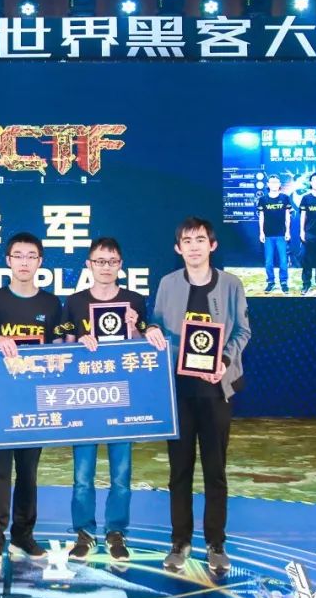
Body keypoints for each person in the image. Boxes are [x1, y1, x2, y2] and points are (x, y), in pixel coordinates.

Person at [144, 217, 251, 576]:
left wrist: (224, 361)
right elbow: (156, 322)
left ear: (212, 245)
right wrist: (152, 328)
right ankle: (180, 542)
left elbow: (242, 331)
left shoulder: (231, 284)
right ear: (178, 248)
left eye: (200, 240)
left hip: (217, 389)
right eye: (187, 241)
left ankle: (216, 543)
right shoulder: (168, 283)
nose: (193, 246)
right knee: (180, 470)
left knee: (215, 470)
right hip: (179, 391)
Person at [0, 232, 63, 573]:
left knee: (28, 471)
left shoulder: (51, 305)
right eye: (18, 255)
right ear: (8, 260)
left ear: (40, 262)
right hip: (0, 400)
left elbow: (60, 350)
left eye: (31, 256)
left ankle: (23, 535)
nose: (24, 262)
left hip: (35, 399)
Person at [61, 237, 149, 562]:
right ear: (89, 265)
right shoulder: (74, 302)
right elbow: (64, 348)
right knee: (82, 477)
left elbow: (144, 351)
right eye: (100, 261)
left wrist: (134, 329)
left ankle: (116, 532)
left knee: (121, 476)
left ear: (120, 265)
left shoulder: (134, 301)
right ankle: (84, 533)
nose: (106, 267)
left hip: (121, 397)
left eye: (112, 261)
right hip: (85, 399)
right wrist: (79, 343)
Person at [257, 175, 292, 294]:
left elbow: (287, 216)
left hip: (281, 235)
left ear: (279, 184)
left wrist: (288, 231)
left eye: (276, 182)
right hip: (268, 235)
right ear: (268, 184)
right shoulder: (263, 199)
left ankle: (283, 282)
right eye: (272, 182)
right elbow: (261, 217)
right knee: (268, 261)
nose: (274, 184)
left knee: (283, 261)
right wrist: (261, 232)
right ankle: (271, 281)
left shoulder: (285, 198)